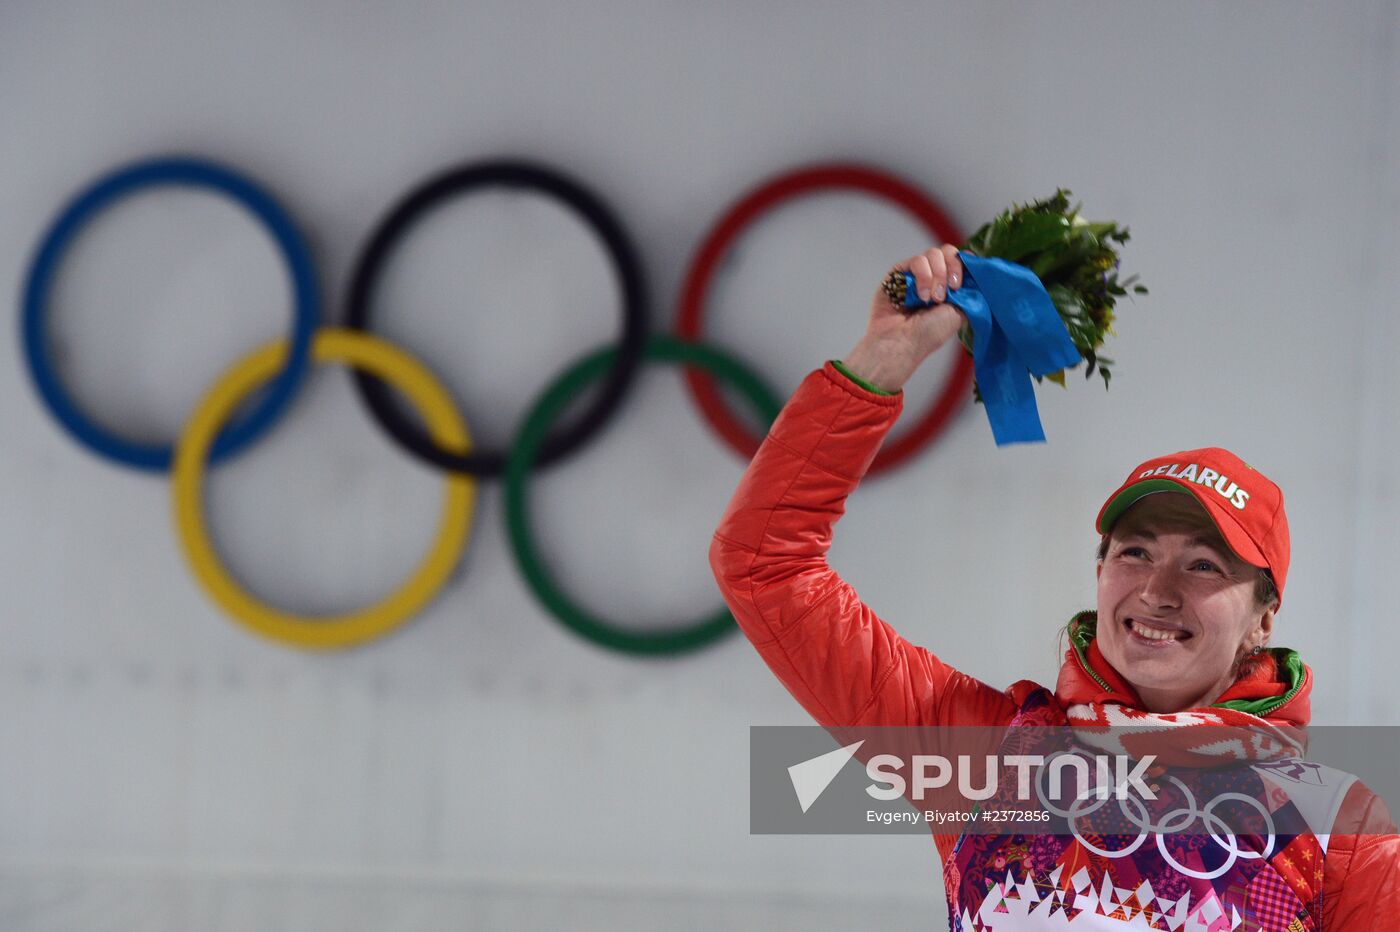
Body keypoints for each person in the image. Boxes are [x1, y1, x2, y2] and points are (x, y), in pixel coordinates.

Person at [710, 245, 1400, 929]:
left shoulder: (1336, 829)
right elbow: (764, 565)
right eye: (1135, 552)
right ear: (1101, 574)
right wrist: (880, 364)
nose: (1157, 590)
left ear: (1262, 618)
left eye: (1203, 566)